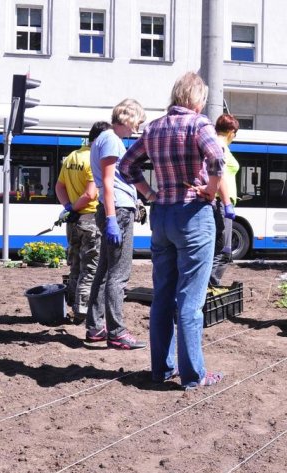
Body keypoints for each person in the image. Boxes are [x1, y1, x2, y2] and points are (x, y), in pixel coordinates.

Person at [119, 72, 228, 390]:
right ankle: (195, 376)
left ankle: (161, 370)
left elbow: (127, 167)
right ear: (197, 99)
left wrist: (150, 194)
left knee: (163, 297)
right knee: (191, 302)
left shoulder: (153, 128)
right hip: (193, 215)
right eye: (204, 99)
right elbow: (218, 160)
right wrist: (210, 190)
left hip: (162, 215)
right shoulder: (199, 124)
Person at [84, 100, 148, 350]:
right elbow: (109, 183)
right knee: (119, 274)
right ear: (128, 117)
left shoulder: (102, 139)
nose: (139, 126)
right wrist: (111, 218)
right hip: (118, 209)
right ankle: (117, 333)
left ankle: (95, 327)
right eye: (138, 121)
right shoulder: (112, 140)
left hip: (112, 208)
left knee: (103, 271)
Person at [56, 122, 106, 321]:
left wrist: (69, 207)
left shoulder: (72, 157)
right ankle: (82, 310)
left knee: (75, 265)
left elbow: (59, 187)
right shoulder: (94, 160)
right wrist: (77, 208)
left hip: (74, 222)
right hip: (90, 218)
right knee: (90, 268)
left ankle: (70, 304)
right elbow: (90, 194)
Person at [209, 113, 241, 288]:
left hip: (222, 203)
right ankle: (210, 288)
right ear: (231, 131)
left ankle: (210, 286)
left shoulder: (220, 146)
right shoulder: (220, 147)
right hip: (221, 203)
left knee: (221, 251)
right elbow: (218, 175)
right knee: (223, 252)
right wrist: (227, 203)